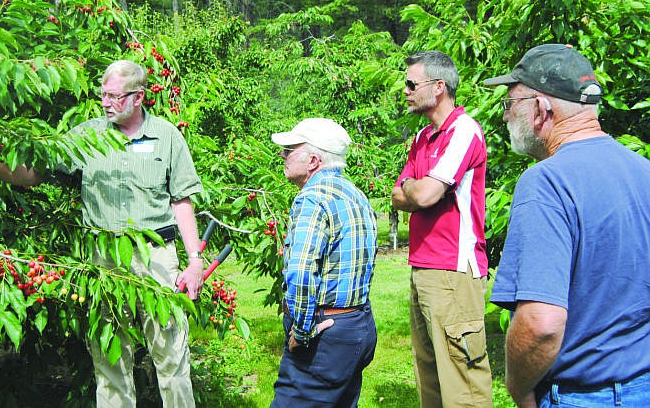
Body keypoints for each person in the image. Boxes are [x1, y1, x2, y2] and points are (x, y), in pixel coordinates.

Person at [0, 60, 204, 408]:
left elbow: (182, 201)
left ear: (139, 97)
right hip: (102, 260)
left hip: (156, 258)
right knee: (110, 359)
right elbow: (32, 174)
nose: (106, 102)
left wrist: (195, 261)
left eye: (115, 96)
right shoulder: (87, 136)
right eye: (103, 95)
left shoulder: (167, 137)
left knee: (171, 356)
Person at [484, 44, 650, 408]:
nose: (505, 117)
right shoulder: (643, 171)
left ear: (542, 109)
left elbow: (541, 325)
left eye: (510, 105)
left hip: (582, 396)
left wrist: (518, 389)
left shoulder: (545, 183)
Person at [391, 50, 493, 407]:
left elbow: (426, 193)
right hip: (422, 268)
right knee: (430, 378)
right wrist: (414, 189)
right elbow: (401, 195)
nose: (404, 91)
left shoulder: (464, 131)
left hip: (453, 271)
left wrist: (416, 188)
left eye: (410, 84)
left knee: (463, 382)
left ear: (437, 88)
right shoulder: (422, 138)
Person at [269, 117, 378, 407]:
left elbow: (302, 275)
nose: (282, 155)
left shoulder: (312, 199)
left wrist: (303, 333)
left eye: (289, 150)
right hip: (358, 324)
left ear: (314, 160)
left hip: (324, 333)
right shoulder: (356, 194)